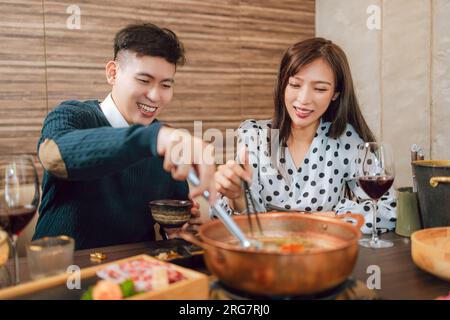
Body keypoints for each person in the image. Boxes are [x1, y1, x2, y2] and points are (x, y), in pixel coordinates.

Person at [33, 23, 216, 249]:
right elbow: (54, 156)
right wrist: (154, 139)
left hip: (136, 276)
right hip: (60, 274)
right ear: (113, 73)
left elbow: (172, 226)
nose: (155, 96)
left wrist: (176, 231)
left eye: (166, 85)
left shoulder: (164, 141)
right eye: (144, 80)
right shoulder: (72, 115)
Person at [214, 38, 397, 234]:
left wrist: (335, 218)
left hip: (322, 256)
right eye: (295, 85)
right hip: (266, 255)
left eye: (320, 89)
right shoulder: (254, 135)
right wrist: (238, 196)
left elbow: (389, 211)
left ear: (335, 93)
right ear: (283, 84)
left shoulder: (346, 141)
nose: (303, 100)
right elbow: (243, 225)